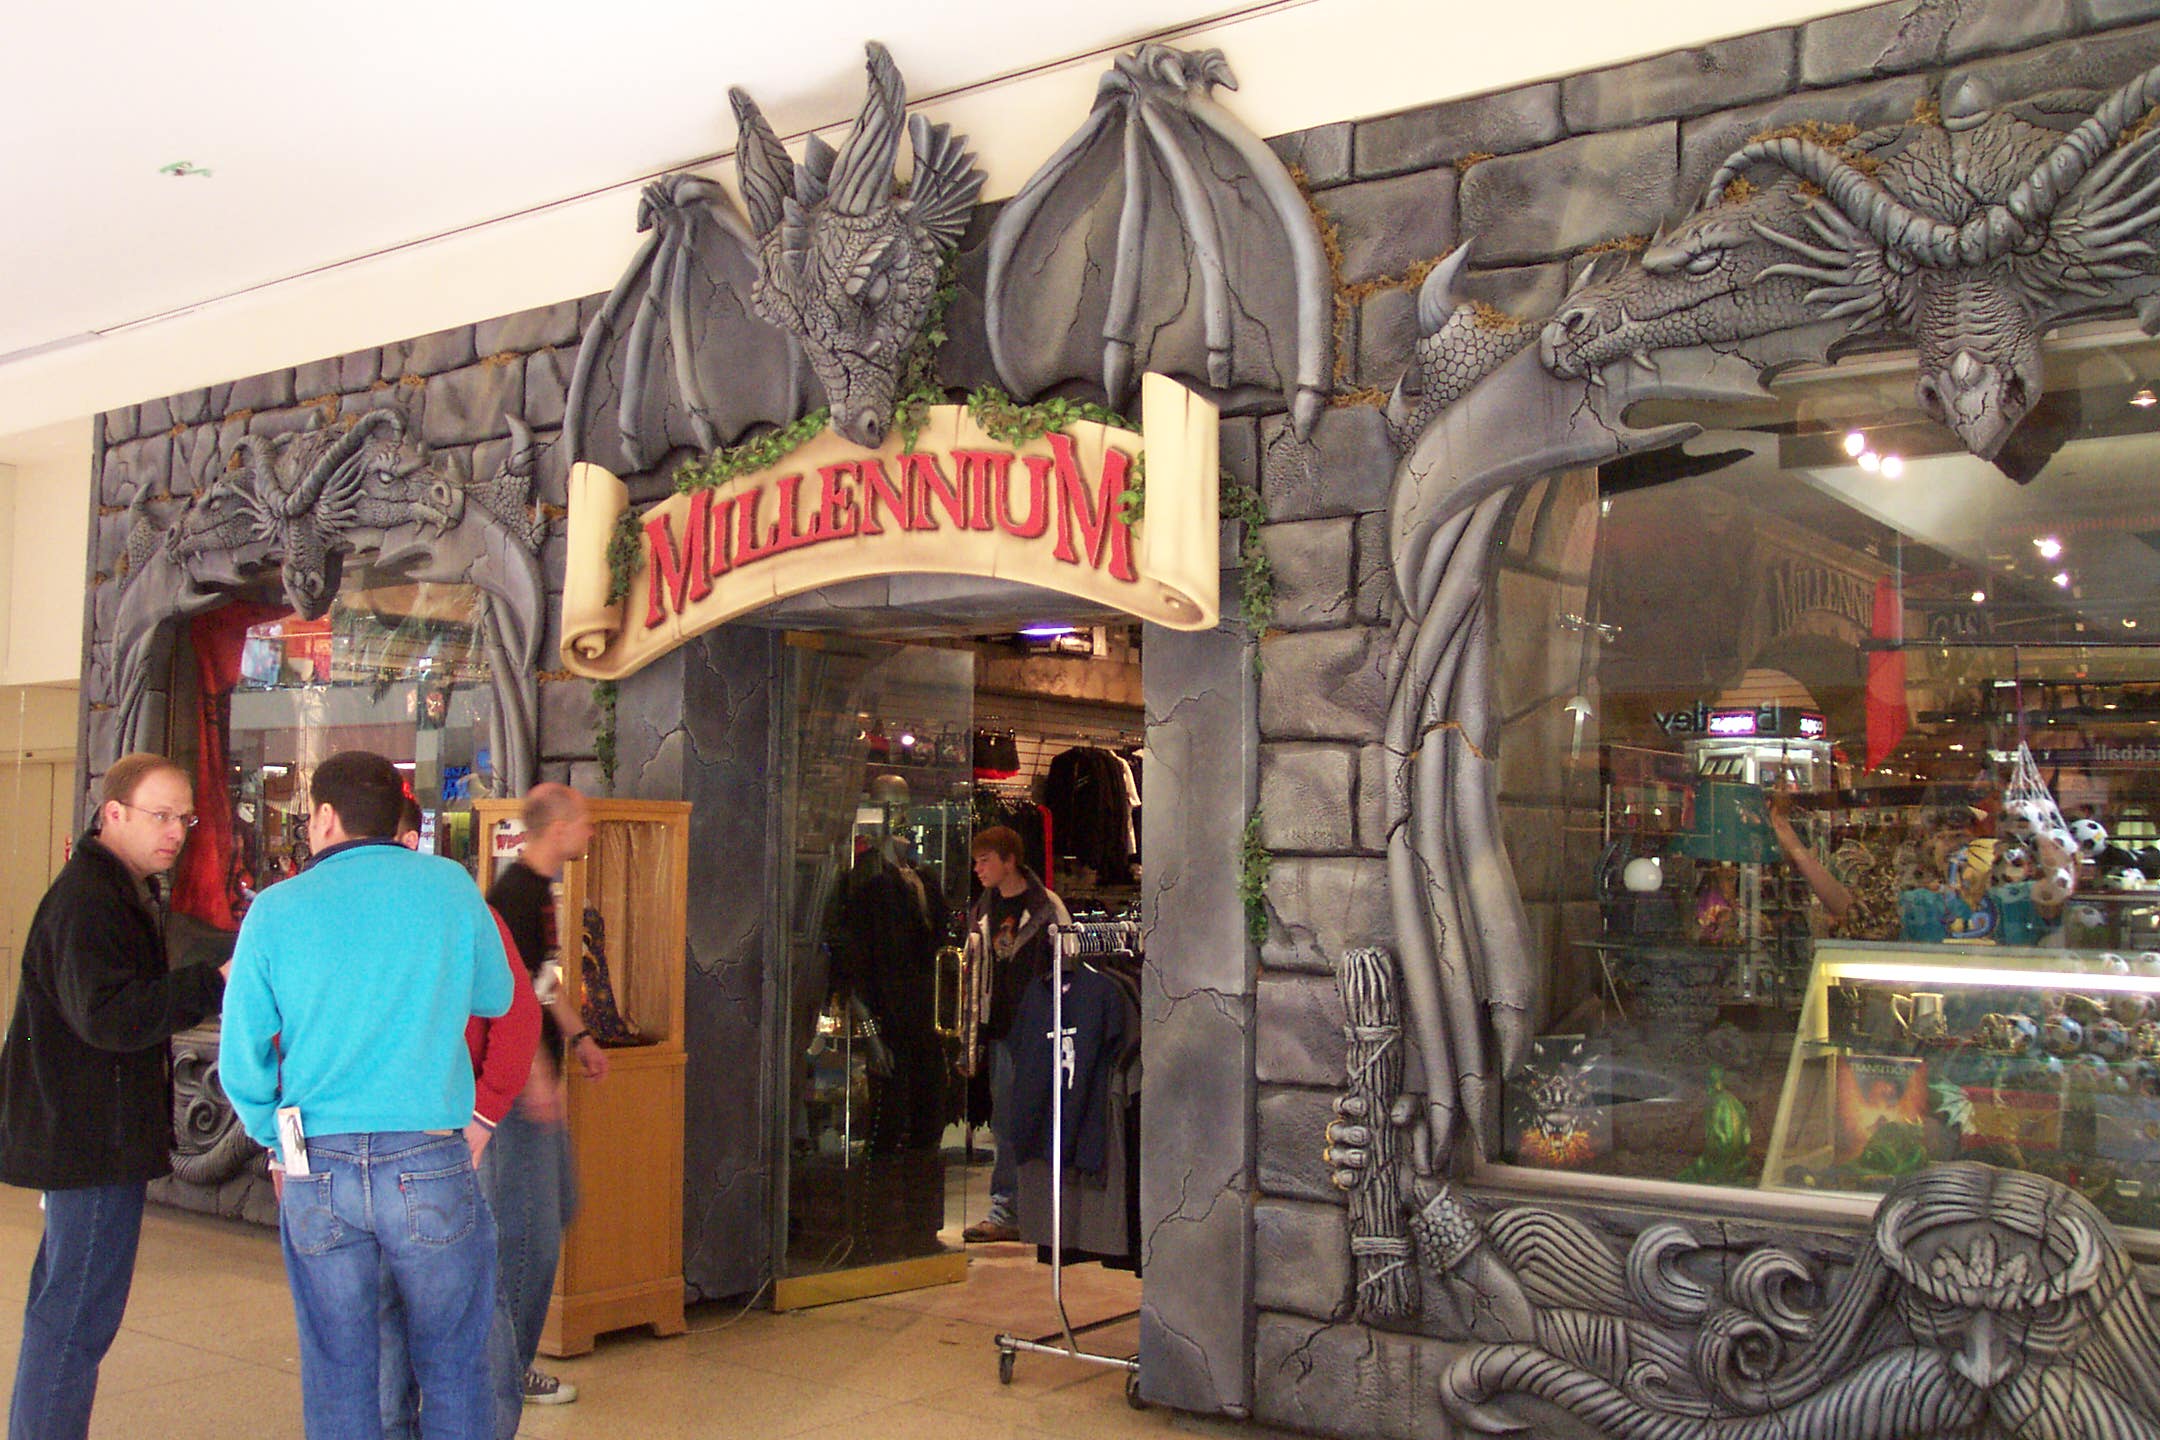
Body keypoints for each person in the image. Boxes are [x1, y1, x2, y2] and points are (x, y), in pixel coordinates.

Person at [219, 751, 513, 1439]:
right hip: (429, 1154)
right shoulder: (449, 885)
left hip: (317, 1161)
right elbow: (495, 995)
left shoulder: (276, 908)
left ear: (324, 817)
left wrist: (277, 1141)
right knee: (454, 1366)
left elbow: (242, 1063)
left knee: (338, 1371)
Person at [0, 753, 228, 1440]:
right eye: (160, 815)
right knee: (76, 1318)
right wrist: (212, 981)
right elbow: (109, 1016)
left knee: (65, 1310)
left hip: (89, 1136)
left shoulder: (119, 890)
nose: (175, 832)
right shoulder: (90, 899)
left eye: (185, 818)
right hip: (89, 1141)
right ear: (114, 814)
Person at [380, 799, 540, 1440]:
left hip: (358, 1140)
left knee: (389, 1309)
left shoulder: (308, 911)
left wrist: (282, 1143)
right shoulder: (461, 906)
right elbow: (518, 1013)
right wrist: (483, 1113)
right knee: (466, 1303)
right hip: (439, 1135)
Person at [485, 783, 607, 1407]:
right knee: (527, 1231)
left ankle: (505, 1362)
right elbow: (504, 996)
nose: (590, 831)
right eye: (583, 821)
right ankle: (505, 1370)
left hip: (534, 1084)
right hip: (516, 1094)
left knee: (556, 1206)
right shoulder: (512, 896)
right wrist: (535, 1076)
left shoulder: (538, 893)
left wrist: (578, 1037)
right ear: (556, 827)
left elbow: (540, 982)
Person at [959, 825, 1068, 1245]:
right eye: (976, 861)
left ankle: (1041, 1207)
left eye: (985, 860)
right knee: (1005, 1121)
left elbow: (1069, 967)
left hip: (1040, 1031)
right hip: (1001, 1031)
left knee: (1042, 1116)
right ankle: (1007, 1209)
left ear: (1009, 861)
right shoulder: (982, 910)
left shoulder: (1046, 908)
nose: (978, 868)